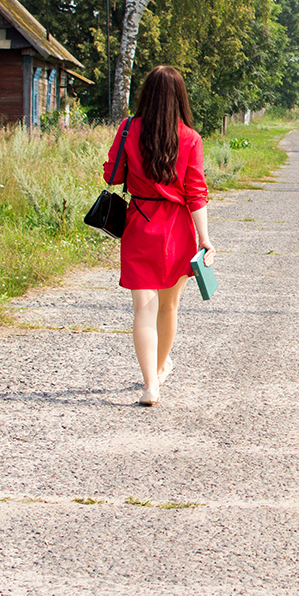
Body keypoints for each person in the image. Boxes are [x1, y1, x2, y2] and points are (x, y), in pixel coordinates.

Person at [103, 66, 214, 406]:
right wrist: (205, 239)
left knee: (143, 310)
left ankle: (151, 384)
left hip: (139, 224)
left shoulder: (127, 130)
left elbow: (111, 173)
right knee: (168, 307)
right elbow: (196, 193)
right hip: (176, 230)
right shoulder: (190, 138)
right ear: (180, 96)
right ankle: (161, 366)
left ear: (146, 93)